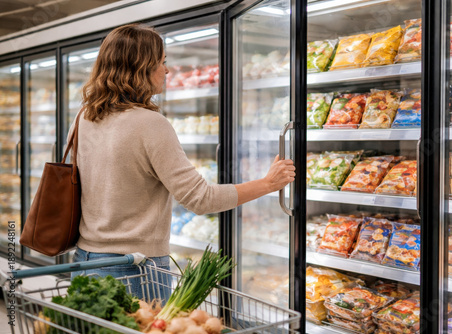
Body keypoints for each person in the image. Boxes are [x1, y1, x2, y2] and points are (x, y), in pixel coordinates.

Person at [69, 24, 295, 299]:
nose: (167, 70)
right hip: (134, 269)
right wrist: (268, 183)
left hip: (85, 261)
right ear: (141, 67)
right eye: (162, 62)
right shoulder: (149, 123)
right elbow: (201, 199)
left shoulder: (84, 117)